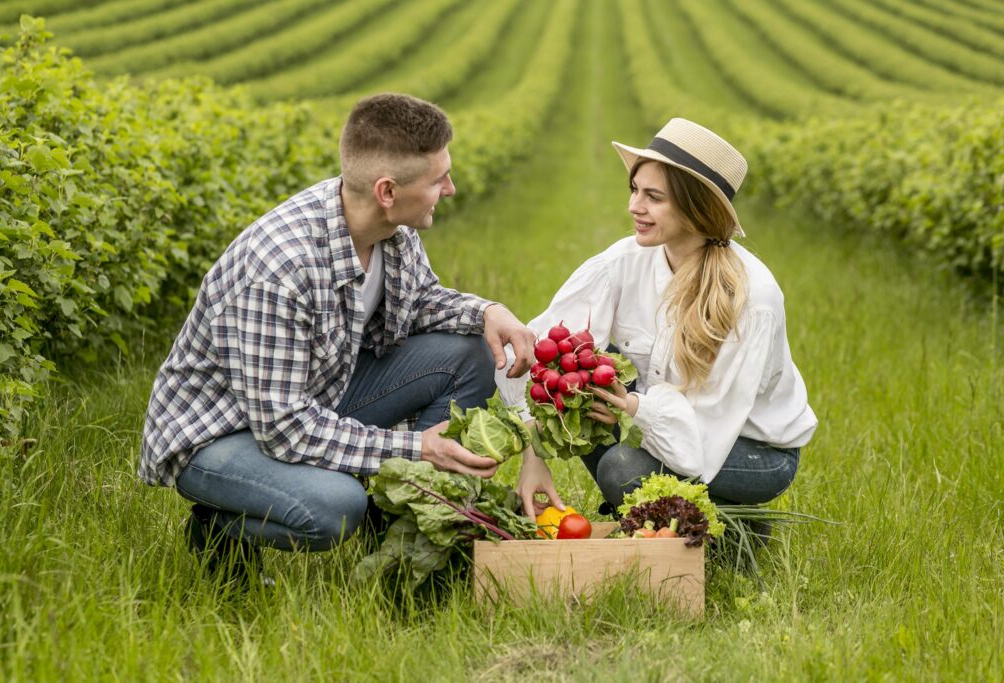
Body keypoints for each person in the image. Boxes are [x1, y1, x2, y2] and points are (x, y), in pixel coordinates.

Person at [139, 93, 536, 578]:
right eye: (438, 180)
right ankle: (222, 526)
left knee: (472, 353)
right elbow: (284, 429)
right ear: (387, 191)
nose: (450, 189)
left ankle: (404, 530)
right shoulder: (280, 269)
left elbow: (420, 304)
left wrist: (487, 312)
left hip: (314, 395)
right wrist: (415, 449)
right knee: (334, 509)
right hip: (223, 434)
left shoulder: (390, 227)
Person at [501, 118, 818, 521]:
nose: (634, 206)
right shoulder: (624, 261)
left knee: (623, 470)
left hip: (749, 446)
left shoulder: (751, 298)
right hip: (665, 415)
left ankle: (731, 527)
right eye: (635, 190)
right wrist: (535, 456)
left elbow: (706, 436)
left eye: (654, 197)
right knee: (583, 370)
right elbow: (545, 350)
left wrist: (633, 408)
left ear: (695, 208)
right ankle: (657, 518)